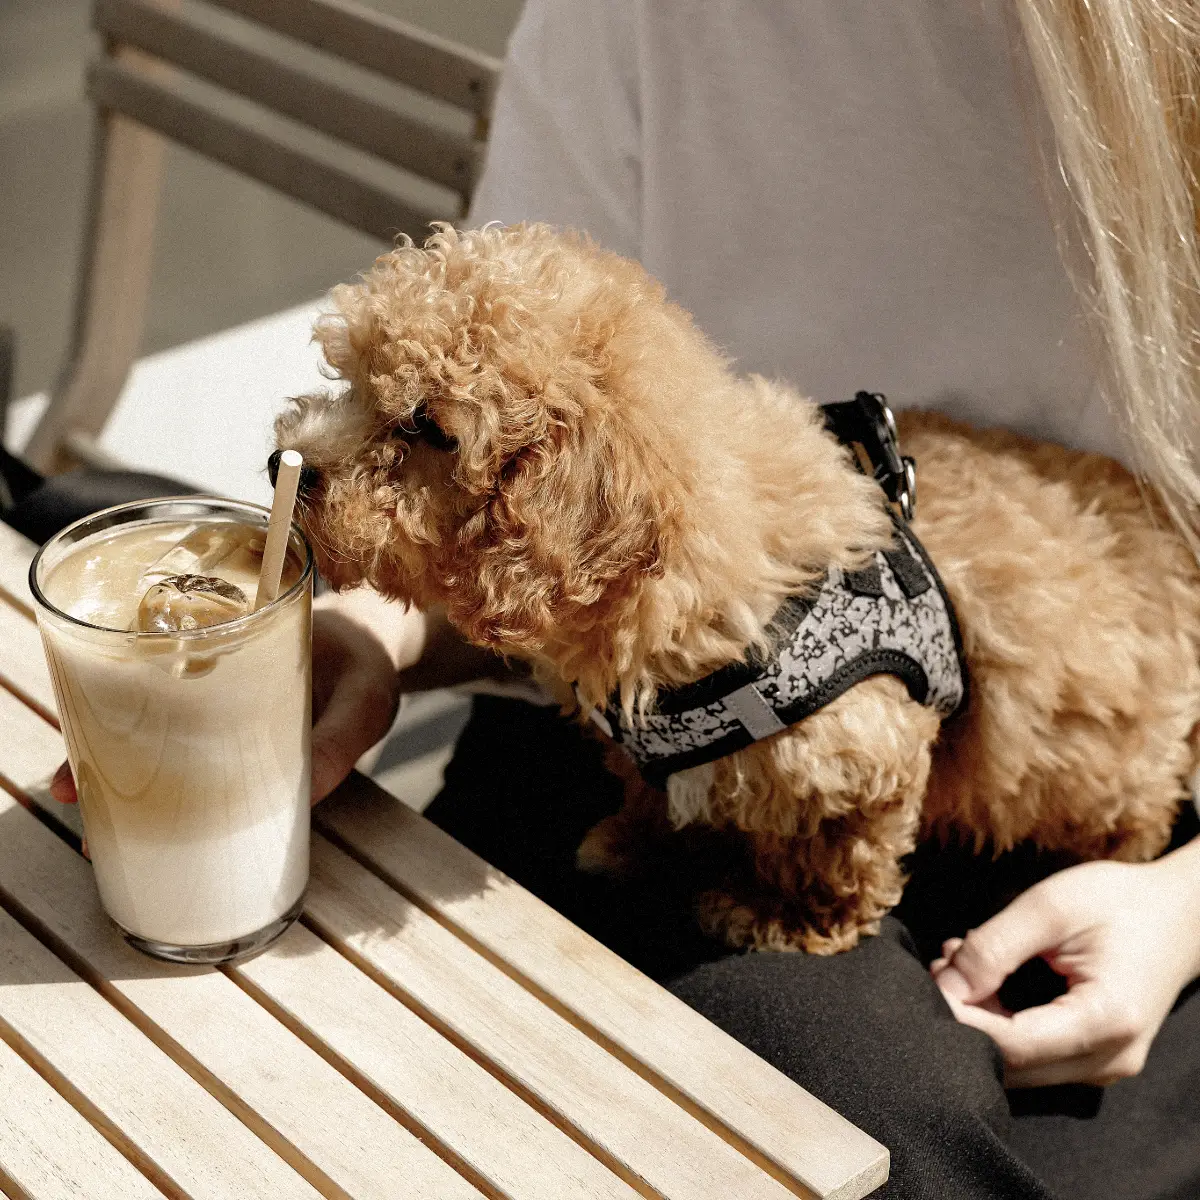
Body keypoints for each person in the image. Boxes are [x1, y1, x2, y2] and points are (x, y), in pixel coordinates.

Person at [49, 2, 1200, 1196]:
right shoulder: (634, 18)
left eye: (410, 432)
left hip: (1043, 830)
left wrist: (1188, 905)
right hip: (598, 708)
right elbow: (503, 505)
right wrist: (367, 633)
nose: (303, 450)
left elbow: (576, 529)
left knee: (837, 1118)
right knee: (392, 1030)